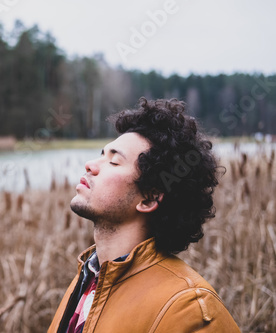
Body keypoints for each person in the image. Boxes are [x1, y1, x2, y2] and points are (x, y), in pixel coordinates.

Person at [48, 98, 240, 333]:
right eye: (101, 154)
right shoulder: (87, 280)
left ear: (149, 199)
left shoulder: (189, 310)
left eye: (114, 161)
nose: (90, 165)